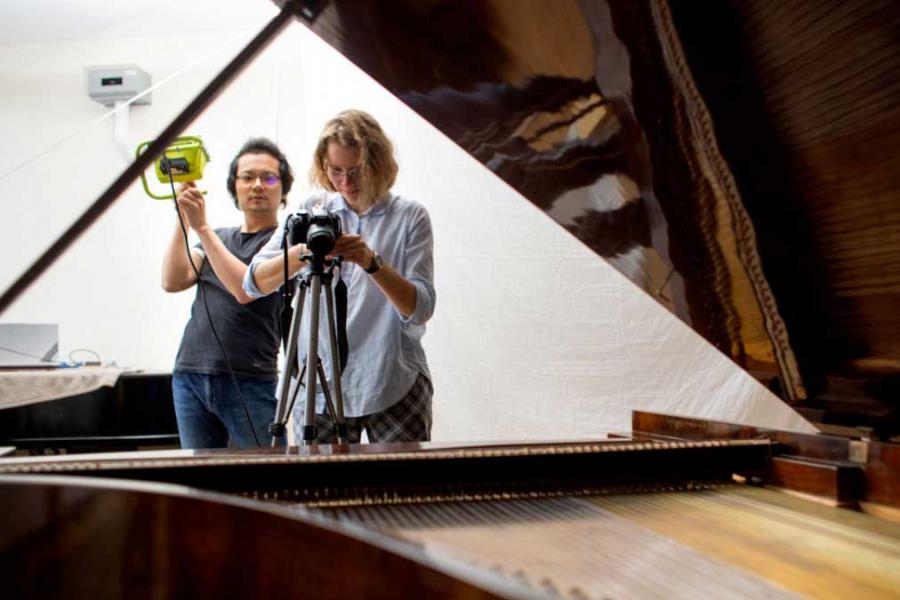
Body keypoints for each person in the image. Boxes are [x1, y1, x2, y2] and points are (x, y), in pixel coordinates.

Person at [243, 110, 435, 443]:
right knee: (322, 491)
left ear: (379, 163)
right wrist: (305, 253)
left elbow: (421, 307)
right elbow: (254, 282)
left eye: (356, 170)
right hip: (319, 382)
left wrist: (368, 260)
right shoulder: (314, 211)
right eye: (335, 171)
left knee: (402, 491)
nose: (345, 182)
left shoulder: (409, 216)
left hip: (391, 377)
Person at [162, 137, 293, 449]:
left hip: (251, 379)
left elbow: (242, 289)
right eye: (247, 177)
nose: (257, 185)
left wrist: (203, 229)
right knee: (201, 483)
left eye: (269, 177)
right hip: (190, 376)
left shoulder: (287, 243)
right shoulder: (218, 239)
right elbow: (173, 280)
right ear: (235, 186)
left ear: (283, 189)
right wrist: (183, 218)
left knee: (268, 479)